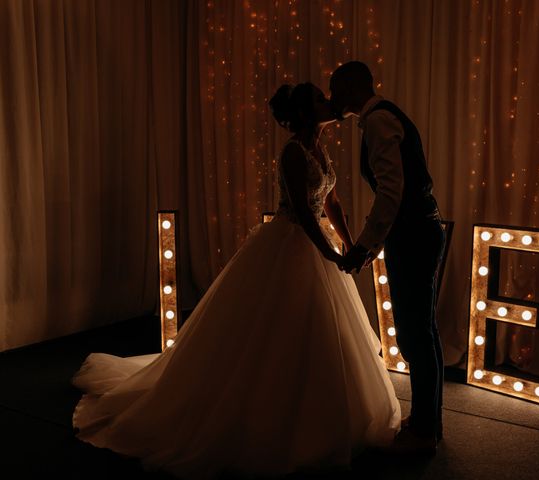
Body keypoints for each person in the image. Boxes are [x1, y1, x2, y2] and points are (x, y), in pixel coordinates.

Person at [71, 81, 400, 480]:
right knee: (274, 330)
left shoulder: (321, 147)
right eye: (319, 98)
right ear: (305, 111)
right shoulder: (294, 151)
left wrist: (349, 244)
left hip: (318, 246)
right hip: (291, 243)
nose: (327, 102)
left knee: (317, 329)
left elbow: (331, 202)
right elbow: (302, 209)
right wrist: (332, 253)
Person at [329, 61, 445, 454]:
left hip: (411, 234)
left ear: (349, 87)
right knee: (423, 331)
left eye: (335, 89)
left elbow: (391, 192)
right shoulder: (385, 116)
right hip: (421, 228)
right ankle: (429, 422)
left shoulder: (378, 122)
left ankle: (424, 432)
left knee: (414, 335)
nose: (332, 99)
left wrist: (363, 246)